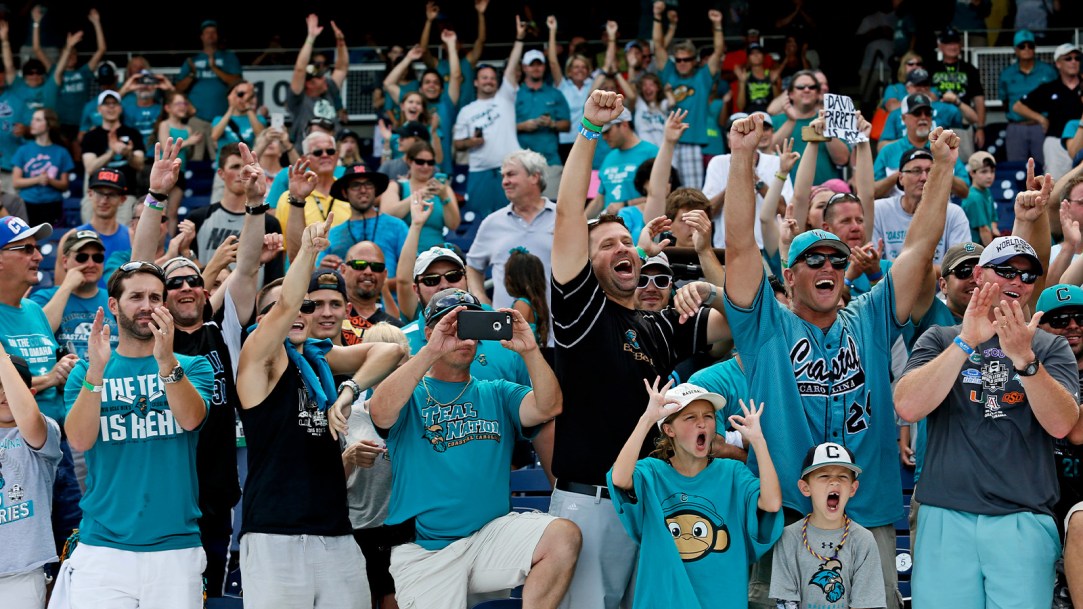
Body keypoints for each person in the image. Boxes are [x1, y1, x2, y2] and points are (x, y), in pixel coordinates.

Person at [699, 116, 964, 609]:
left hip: (866, 507)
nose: (829, 268)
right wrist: (740, 158)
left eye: (838, 262)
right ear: (791, 275)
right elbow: (738, 246)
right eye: (815, 261)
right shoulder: (765, 327)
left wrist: (943, 168)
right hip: (787, 512)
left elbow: (919, 249)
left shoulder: (870, 318)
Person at [550, 90, 731, 609]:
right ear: (583, 266)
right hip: (592, 505)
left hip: (648, 501)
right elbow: (566, 219)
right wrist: (588, 131)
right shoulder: (580, 313)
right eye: (605, 245)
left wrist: (707, 271)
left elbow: (742, 325)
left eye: (626, 241)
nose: (622, 248)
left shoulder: (656, 324)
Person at [896, 232, 1080, 608]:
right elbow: (908, 406)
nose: (1017, 281)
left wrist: (1025, 362)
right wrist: (965, 342)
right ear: (979, 275)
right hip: (946, 514)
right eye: (1006, 271)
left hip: (1022, 518)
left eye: (1028, 276)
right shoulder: (941, 337)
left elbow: (1062, 424)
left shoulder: (1049, 346)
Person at [365, 288, 580, 608]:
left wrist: (530, 350)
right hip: (427, 551)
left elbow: (549, 406)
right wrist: (431, 350)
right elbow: (379, 411)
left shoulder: (497, 392)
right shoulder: (411, 392)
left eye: (470, 324)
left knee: (563, 536)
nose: (460, 333)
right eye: (450, 323)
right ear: (428, 331)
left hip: (489, 539)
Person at [234, 211, 404, 609]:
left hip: (336, 531)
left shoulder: (320, 359)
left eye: (306, 309)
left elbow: (391, 351)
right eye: (283, 309)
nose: (298, 313)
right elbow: (287, 302)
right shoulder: (257, 360)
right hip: (276, 531)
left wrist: (347, 392)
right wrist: (307, 251)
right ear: (264, 320)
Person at [130, 139, 269, 596]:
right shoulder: (146, 330)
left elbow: (247, 266)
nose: (186, 287)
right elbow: (139, 263)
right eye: (174, 283)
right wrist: (155, 195)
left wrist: (255, 205)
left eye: (194, 279)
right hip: (158, 483)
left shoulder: (223, 328)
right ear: (158, 295)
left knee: (204, 592)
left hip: (213, 485)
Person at [56, 259, 214, 608]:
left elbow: (190, 420)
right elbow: (79, 441)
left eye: (156, 297)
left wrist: (166, 362)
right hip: (102, 548)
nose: (147, 306)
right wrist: (97, 371)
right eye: (136, 296)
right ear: (113, 305)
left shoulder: (192, 366)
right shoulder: (85, 371)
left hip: (176, 547)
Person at [609, 379, 782, 608]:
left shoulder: (732, 473)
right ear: (668, 429)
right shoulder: (651, 472)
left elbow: (771, 504)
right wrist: (647, 419)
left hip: (720, 600)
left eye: (708, 416)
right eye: (691, 417)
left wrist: (758, 442)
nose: (702, 424)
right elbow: (620, 478)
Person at [769, 443, 886, 609]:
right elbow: (785, 602)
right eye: (824, 476)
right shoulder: (789, 537)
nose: (834, 482)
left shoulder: (863, 540)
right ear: (805, 487)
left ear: (853, 488)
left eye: (843, 477)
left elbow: (867, 604)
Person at [344, 322, 409, 609]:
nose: (391, 372)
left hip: (407, 530)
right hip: (358, 530)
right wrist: (348, 458)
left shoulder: (421, 414)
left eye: (399, 363)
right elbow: (326, 481)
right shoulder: (347, 414)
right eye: (384, 364)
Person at [1033, 285, 1083, 608]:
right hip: (1041, 508)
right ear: (1039, 329)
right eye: (1060, 319)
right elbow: (1074, 428)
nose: (1073, 326)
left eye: (1080, 317)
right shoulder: (1028, 372)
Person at [0, 346, 61, 609]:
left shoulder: (43, 431)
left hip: (21, 574)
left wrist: (2, 357)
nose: (5, 395)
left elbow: (29, 419)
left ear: (30, 394)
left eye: (10, 386)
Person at [452, 17, 525, 219]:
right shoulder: (467, 110)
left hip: (510, 168)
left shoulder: (505, 97)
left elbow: (511, 68)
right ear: (476, 82)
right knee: (482, 221)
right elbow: (457, 144)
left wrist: (519, 38)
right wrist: (470, 142)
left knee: (515, 217)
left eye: (493, 78)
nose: (489, 81)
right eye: (484, 78)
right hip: (479, 171)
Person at [466, 149, 555, 311]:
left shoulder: (562, 218)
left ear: (534, 177)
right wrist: (481, 299)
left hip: (559, 329)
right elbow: (472, 267)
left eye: (511, 174)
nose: (505, 181)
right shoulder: (492, 223)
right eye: (503, 176)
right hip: (507, 332)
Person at [185, 143, 285, 282]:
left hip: (250, 300)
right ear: (221, 173)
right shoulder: (198, 218)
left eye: (246, 168)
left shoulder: (269, 223)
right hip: (207, 298)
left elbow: (274, 277)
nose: (241, 173)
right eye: (235, 167)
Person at [651, 3, 725, 189]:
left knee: (692, 191)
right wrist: (657, 16)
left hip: (691, 140)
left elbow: (718, 52)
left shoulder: (703, 77)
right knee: (665, 189)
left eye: (687, 59)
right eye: (679, 60)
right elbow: (658, 47)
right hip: (667, 140)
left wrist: (717, 25)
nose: (682, 63)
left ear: (695, 60)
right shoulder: (669, 73)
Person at [704, 112, 794, 252]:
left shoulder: (776, 163)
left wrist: (755, 179)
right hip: (726, 250)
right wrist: (737, 178)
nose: (741, 136)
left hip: (767, 249)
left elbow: (785, 210)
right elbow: (707, 213)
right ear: (728, 138)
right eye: (735, 131)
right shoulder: (717, 163)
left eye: (746, 131)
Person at [873, 148, 971, 265]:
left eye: (930, 171)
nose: (924, 177)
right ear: (901, 178)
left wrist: (904, 267)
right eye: (916, 171)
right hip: (889, 283)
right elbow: (871, 263)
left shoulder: (953, 214)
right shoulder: (879, 210)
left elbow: (960, 266)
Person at [30, 230, 118, 361]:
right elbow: (38, 336)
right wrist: (67, 286)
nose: (91, 264)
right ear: (65, 262)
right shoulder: (44, 297)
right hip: (65, 379)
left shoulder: (115, 300)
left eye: (97, 258)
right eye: (82, 257)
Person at [320, 163, 409, 281]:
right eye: (356, 185)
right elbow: (317, 272)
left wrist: (379, 285)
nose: (363, 190)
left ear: (375, 189)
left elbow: (411, 272)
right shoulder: (333, 234)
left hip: (387, 299)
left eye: (368, 184)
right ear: (345, 192)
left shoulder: (397, 226)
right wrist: (322, 270)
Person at [873, 94, 970, 199]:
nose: (923, 117)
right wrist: (903, 174)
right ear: (904, 118)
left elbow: (965, 191)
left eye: (927, 113)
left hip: (938, 213)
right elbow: (872, 192)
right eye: (917, 113)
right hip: (898, 213)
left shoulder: (944, 149)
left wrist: (942, 170)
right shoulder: (888, 151)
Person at [174, 20, 243, 161]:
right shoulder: (192, 60)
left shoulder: (228, 57)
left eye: (213, 32)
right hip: (197, 118)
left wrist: (215, 69)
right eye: (207, 33)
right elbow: (178, 89)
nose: (210, 36)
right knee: (194, 158)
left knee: (221, 158)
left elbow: (237, 81)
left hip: (221, 118)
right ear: (201, 37)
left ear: (217, 36)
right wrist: (192, 74)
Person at [39, 8, 105, 152]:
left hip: (80, 123)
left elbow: (101, 50)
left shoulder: (83, 72)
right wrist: (68, 47)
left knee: (79, 155)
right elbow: (38, 50)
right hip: (60, 123)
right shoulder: (55, 71)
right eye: (68, 55)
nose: (70, 57)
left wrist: (96, 23)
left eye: (74, 55)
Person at [1015, 43, 1083, 180]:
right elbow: (1018, 106)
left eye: (1077, 58)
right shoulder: (1050, 88)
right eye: (1068, 58)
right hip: (1057, 143)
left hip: (1081, 139)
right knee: (1056, 184)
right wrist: (1040, 118)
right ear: (1058, 64)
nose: (1074, 62)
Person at [275, 132, 351, 255]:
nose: (325, 155)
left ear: (336, 156)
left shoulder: (348, 194)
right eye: (318, 152)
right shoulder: (288, 198)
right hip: (303, 272)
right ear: (305, 159)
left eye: (330, 151)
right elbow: (282, 249)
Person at [770, 70, 850, 185]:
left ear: (818, 93)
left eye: (812, 87)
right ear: (790, 94)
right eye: (801, 87)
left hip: (825, 195)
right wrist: (791, 121)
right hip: (785, 195)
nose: (806, 90)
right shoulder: (776, 121)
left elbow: (842, 160)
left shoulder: (831, 120)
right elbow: (767, 152)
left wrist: (827, 128)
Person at [380, 141, 460, 252]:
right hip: (403, 254)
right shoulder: (396, 186)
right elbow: (386, 215)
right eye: (420, 162)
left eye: (430, 162)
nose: (425, 166)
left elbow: (453, 225)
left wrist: (445, 197)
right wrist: (420, 194)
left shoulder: (443, 189)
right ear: (409, 161)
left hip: (435, 256)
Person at [57, 168, 131, 287]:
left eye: (111, 194)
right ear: (90, 194)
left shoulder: (132, 237)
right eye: (99, 193)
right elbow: (59, 289)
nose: (104, 200)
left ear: (122, 199)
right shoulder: (69, 238)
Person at [286, 15, 349, 151]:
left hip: (333, 151)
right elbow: (299, 69)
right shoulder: (298, 99)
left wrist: (341, 42)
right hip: (307, 155)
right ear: (309, 84)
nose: (325, 79)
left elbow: (342, 68)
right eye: (319, 78)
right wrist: (310, 37)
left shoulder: (329, 89)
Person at [80, 90, 145, 222]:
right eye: (106, 104)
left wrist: (128, 153)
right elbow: (90, 168)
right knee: (92, 238)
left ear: (120, 108)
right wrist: (111, 152)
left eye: (114, 104)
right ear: (99, 109)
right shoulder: (91, 136)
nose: (111, 107)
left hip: (125, 195)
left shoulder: (133, 133)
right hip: (96, 195)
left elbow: (140, 165)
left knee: (124, 238)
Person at [516, 48, 571, 200]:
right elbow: (503, 126)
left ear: (544, 67)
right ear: (524, 67)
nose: (536, 68)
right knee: (522, 207)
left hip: (550, 161)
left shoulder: (555, 94)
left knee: (553, 209)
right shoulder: (515, 94)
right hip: (521, 163)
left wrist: (552, 123)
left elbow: (567, 125)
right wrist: (522, 126)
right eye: (532, 65)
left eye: (539, 64)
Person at [876, 68, 972, 151]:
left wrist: (957, 101)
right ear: (908, 88)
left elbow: (970, 122)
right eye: (918, 85)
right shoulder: (896, 113)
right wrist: (910, 142)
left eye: (925, 84)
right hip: (902, 157)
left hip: (935, 154)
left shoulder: (944, 108)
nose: (922, 88)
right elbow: (881, 146)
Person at [1000, 30, 1058, 165]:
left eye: (1030, 46)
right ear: (1015, 49)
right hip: (1016, 127)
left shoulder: (1048, 71)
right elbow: (1005, 101)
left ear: (1034, 48)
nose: (1026, 49)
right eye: (1022, 46)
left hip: (1042, 126)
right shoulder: (1007, 74)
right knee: (1016, 169)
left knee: (1046, 167)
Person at [926, 27, 986, 154]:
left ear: (961, 45)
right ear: (940, 46)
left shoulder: (970, 69)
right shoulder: (931, 67)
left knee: (962, 163)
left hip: (962, 124)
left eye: (955, 43)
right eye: (948, 43)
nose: (952, 46)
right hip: (936, 124)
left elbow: (979, 100)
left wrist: (980, 128)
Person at [545, 16, 597, 159]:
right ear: (569, 70)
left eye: (583, 67)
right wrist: (552, 31)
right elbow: (553, 62)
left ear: (588, 70)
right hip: (566, 141)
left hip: (588, 139)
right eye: (575, 67)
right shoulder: (563, 85)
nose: (579, 70)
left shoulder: (593, 85)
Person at [11, 108, 73, 227]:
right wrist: (38, 179)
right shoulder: (23, 150)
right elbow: (16, 182)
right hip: (27, 204)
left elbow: (65, 185)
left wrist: (50, 180)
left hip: (52, 205)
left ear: (49, 125)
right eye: (33, 119)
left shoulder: (61, 152)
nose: (32, 123)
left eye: (38, 120)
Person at [589, 109, 658, 215]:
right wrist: (578, 223)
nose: (604, 137)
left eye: (607, 132)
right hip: (609, 226)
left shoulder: (652, 152)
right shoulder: (608, 157)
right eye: (602, 133)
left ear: (624, 124)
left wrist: (625, 204)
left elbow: (662, 196)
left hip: (640, 226)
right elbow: (599, 200)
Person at [339, 241, 403, 345]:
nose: (368, 271)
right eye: (359, 265)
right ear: (343, 271)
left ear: (385, 274)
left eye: (376, 267)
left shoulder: (396, 329)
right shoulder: (330, 318)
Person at [505, 248, 549, 346]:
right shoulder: (533, 303)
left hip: (521, 359)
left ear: (511, 278)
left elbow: (515, 337)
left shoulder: (521, 304)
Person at [961, 151, 999, 245]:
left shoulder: (986, 191)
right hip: (973, 248)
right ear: (972, 173)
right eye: (984, 171)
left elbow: (993, 219)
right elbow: (984, 230)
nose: (989, 176)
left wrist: (993, 228)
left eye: (992, 171)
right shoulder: (974, 197)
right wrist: (992, 256)